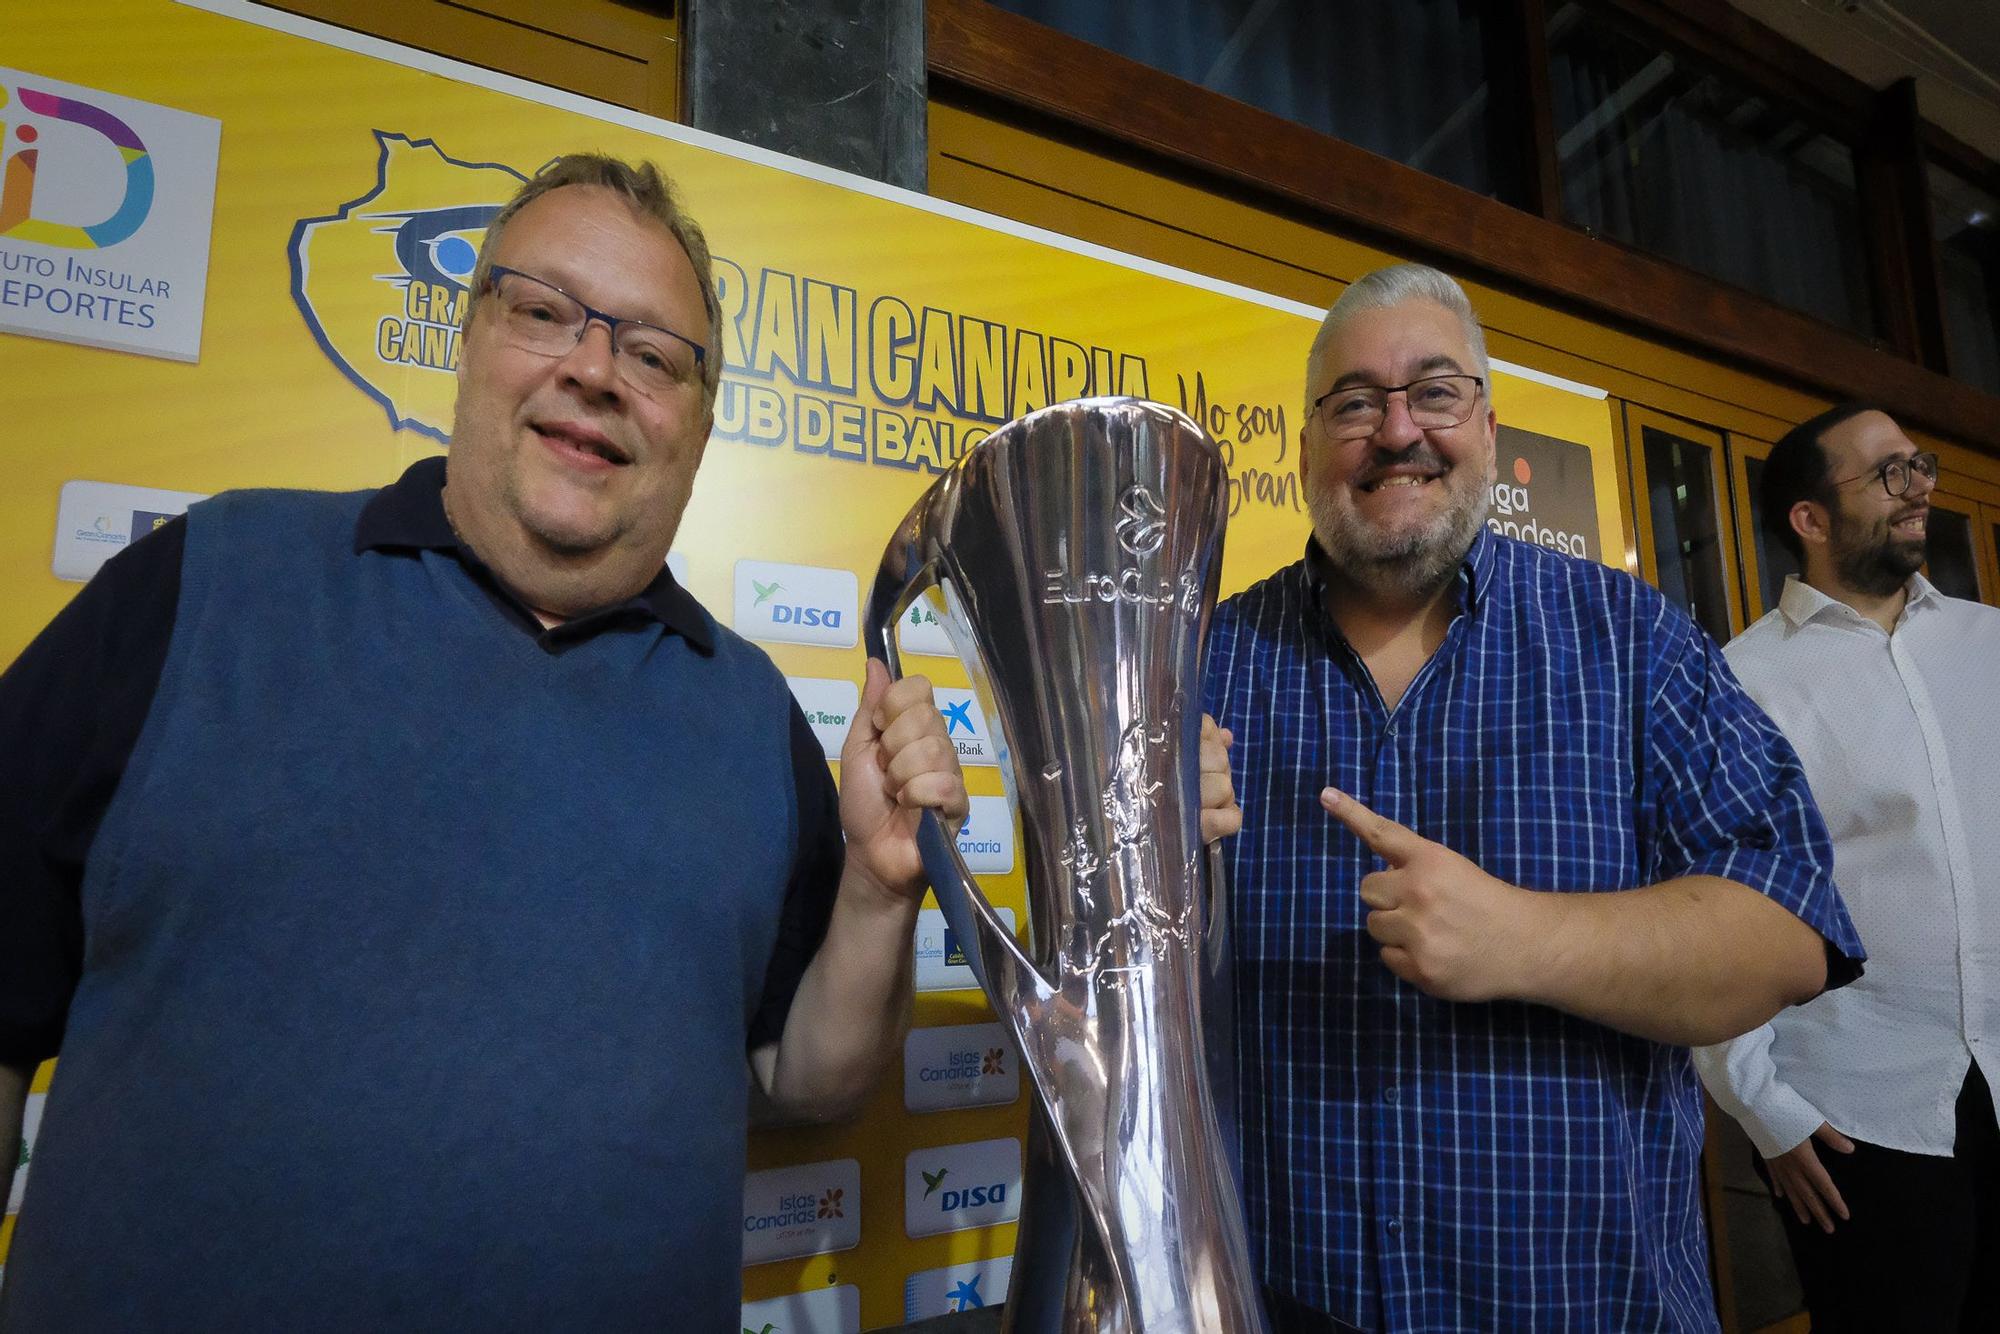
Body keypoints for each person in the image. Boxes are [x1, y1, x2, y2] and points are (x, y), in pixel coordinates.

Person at [0, 154, 966, 1330]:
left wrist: (872, 890)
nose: (596, 368)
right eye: (545, 310)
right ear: (465, 338)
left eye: (655, 355)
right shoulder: (204, 585)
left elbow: (805, 1079)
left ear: (701, 430)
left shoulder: (750, 712)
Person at [1198, 263, 1863, 1332]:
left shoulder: (1628, 638)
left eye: (1433, 391)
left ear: (1487, 422)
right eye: (1354, 401)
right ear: (1306, 440)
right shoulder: (1205, 660)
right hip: (1281, 1297)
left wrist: (1522, 939)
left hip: (1588, 1304)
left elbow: (1790, 930)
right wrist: (1142, 850)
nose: (1395, 428)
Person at [1692, 404, 1999, 1332]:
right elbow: (1710, 906)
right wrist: (1765, 1109)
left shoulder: (1991, 644)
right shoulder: (1740, 682)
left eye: (1919, 465)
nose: (1920, 491)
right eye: (1888, 475)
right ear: (1810, 518)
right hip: (1856, 1115)